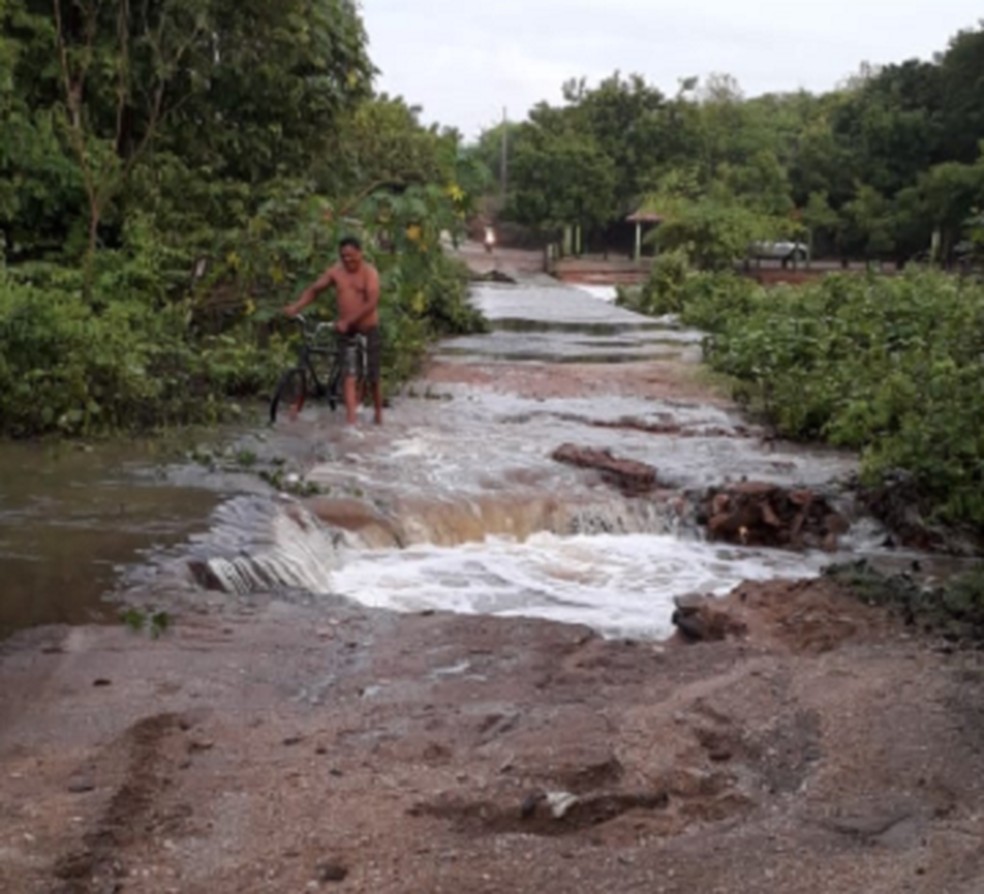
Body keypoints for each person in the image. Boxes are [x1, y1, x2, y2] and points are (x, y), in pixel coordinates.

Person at [283, 236, 383, 425]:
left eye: (351, 256)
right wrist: (297, 307)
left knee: (373, 376)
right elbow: (315, 289)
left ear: (360, 253)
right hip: (346, 332)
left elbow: (372, 303)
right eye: (343, 256)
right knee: (349, 375)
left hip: (368, 329)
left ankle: (378, 414)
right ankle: (351, 423)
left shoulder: (370, 273)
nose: (347, 260)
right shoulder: (336, 273)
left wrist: (348, 320)